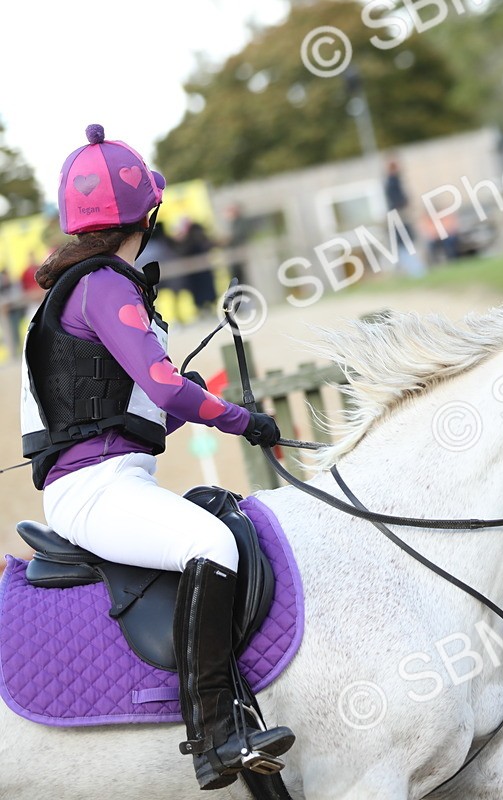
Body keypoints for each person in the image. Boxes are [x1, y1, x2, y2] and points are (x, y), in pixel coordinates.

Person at [19, 125, 293, 790]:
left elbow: (149, 407)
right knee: (212, 546)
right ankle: (215, 737)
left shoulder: (88, 285)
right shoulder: (105, 285)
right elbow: (165, 385)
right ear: (148, 214)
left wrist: (207, 405)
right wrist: (239, 418)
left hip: (108, 478)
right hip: (96, 490)